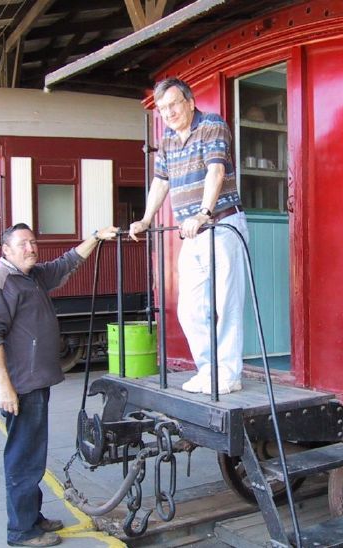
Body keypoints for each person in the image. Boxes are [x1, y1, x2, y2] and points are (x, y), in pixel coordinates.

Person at [0, 222, 117, 548]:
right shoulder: (0, 284)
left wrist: (95, 238)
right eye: (23, 244)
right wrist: (4, 387)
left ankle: (32, 517)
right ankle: (21, 531)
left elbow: (67, 262)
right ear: (6, 250)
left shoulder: (32, 276)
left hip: (35, 382)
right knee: (23, 457)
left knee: (32, 453)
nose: (31, 248)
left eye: (33, 242)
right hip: (21, 386)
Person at [129, 77, 249, 395]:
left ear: (190, 102)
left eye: (173, 105)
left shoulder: (211, 125)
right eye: (163, 108)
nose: (168, 113)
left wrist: (204, 212)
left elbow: (216, 171)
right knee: (190, 308)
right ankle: (210, 370)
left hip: (222, 225)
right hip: (192, 234)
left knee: (226, 303)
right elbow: (161, 182)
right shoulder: (167, 139)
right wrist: (145, 219)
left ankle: (228, 375)